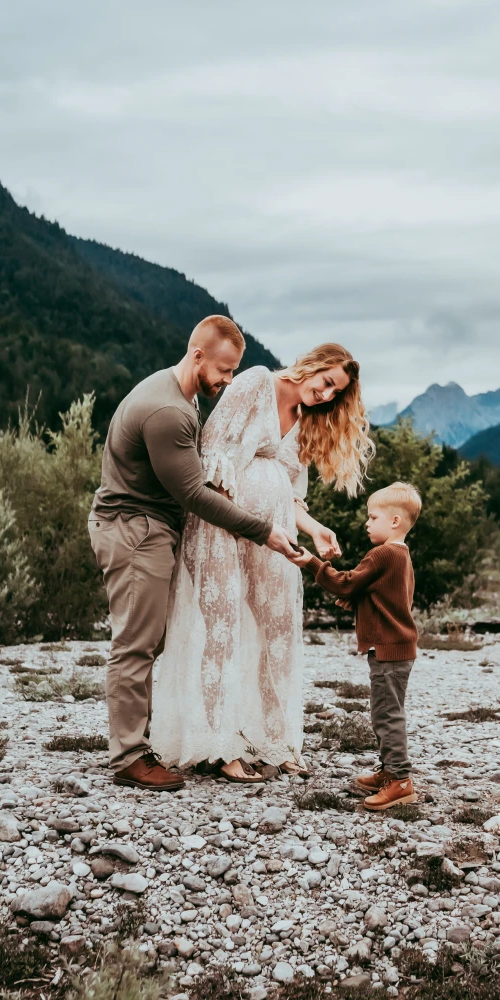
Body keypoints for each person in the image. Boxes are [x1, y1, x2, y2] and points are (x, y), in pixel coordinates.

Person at [88, 316, 299, 792]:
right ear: (198, 354)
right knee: (136, 645)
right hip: (135, 530)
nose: (227, 382)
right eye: (223, 370)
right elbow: (196, 495)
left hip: (145, 529)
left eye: (234, 372)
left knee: (148, 640)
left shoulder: (177, 393)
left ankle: (136, 744)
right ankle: (128, 758)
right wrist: (265, 531)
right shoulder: (170, 411)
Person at [151, 343, 373, 782]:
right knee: (222, 631)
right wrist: (244, 520)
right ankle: (219, 746)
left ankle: (275, 740)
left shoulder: (308, 420)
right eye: (327, 382)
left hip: (274, 537)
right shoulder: (255, 382)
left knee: (277, 630)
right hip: (224, 527)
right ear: (313, 364)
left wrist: (314, 529)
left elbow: (290, 492)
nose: (326, 395)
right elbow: (212, 455)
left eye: (336, 393)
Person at [294, 481, 421, 810]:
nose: (367, 522)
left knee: (387, 715)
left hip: (388, 651)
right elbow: (384, 596)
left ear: (394, 521)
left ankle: (399, 780)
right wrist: (362, 600)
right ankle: (389, 771)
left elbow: (345, 584)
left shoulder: (382, 554)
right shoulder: (401, 555)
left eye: (372, 516)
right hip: (396, 649)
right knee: (383, 713)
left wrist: (311, 563)